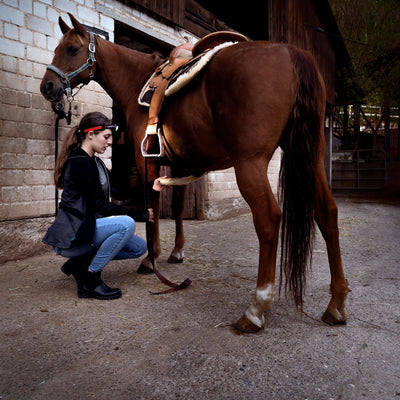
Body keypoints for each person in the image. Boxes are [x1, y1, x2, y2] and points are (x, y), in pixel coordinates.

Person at [43, 111, 154, 300]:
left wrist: (152, 185)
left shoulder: (94, 162)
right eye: (107, 137)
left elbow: (118, 190)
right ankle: (90, 279)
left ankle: (78, 264)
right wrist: (139, 214)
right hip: (73, 234)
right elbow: (102, 206)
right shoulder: (80, 163)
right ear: (90, 134)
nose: (109, 142)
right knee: (126, 224)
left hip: (87, 229)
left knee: (138, 247)